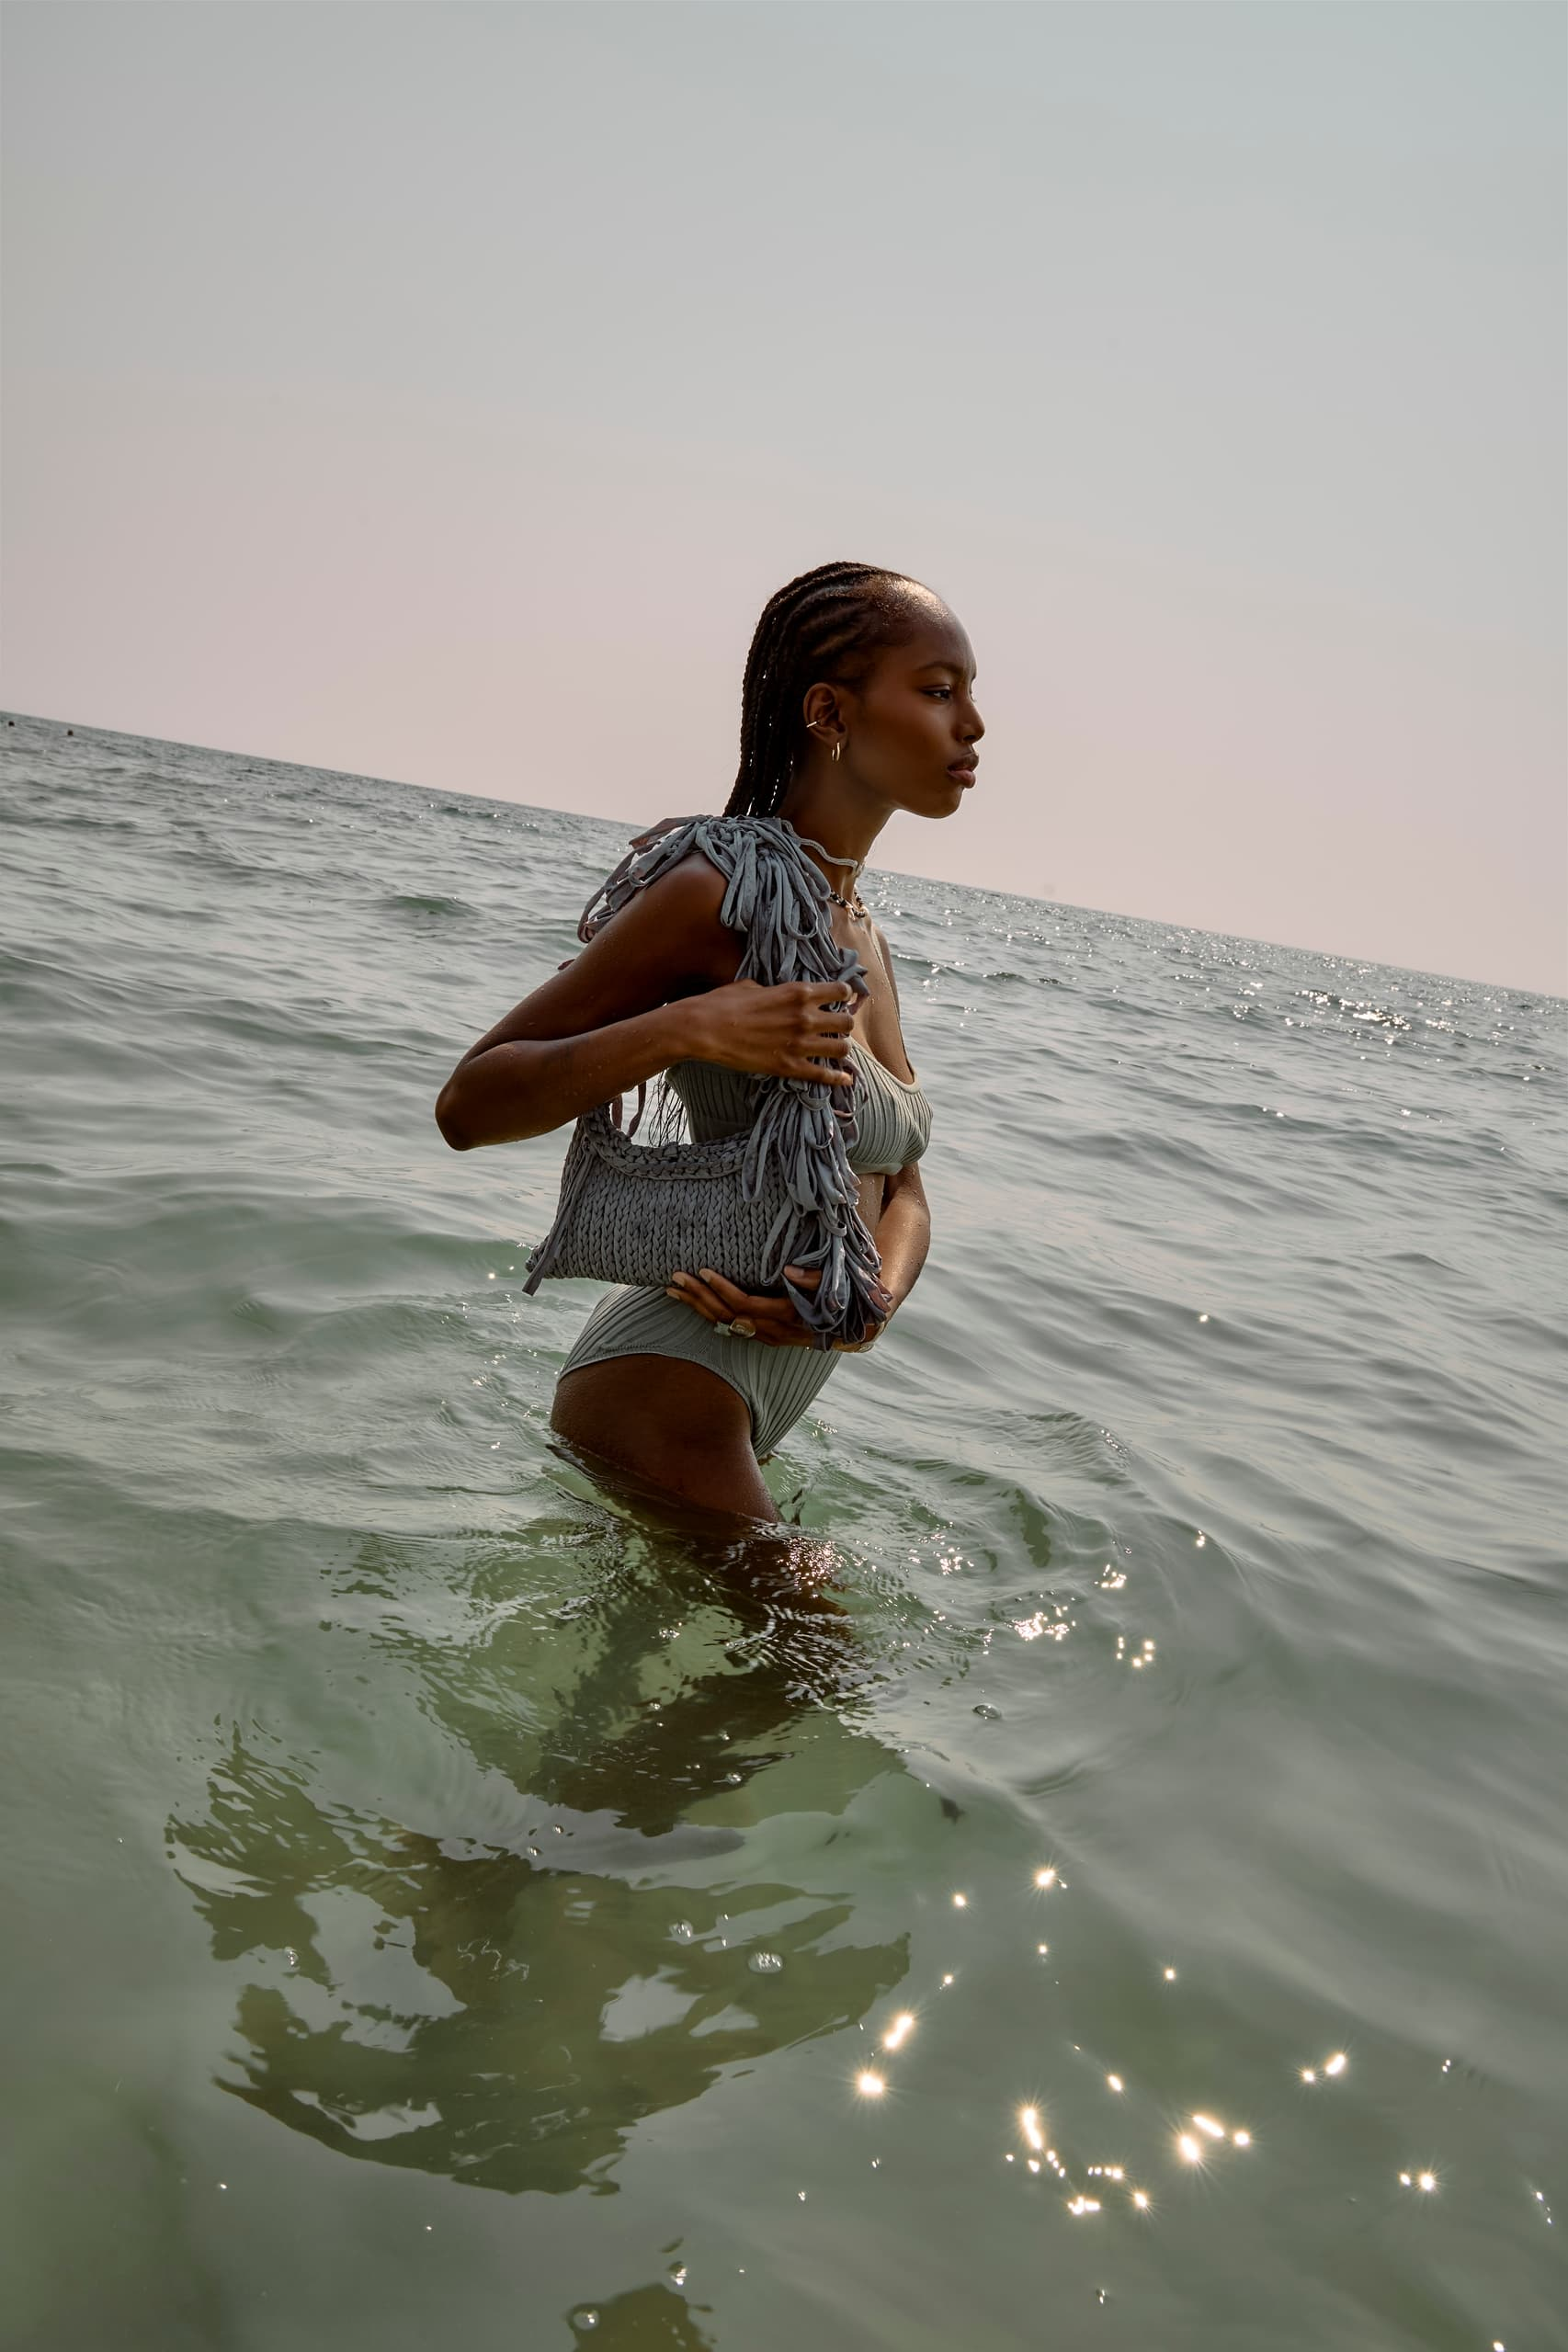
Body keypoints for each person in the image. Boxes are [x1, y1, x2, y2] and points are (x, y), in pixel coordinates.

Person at [435, 560, 983, 1523]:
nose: (971, 725)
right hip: (669, 1383)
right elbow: (468, 1105)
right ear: (828, 714)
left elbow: (902, 1189)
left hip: (773, 1386)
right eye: (938, 692)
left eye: (970, 697)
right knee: (818, 1665)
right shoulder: (715, 890)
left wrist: (866, 1310)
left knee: (650, 1678)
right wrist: (684, 1027)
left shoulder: (858, 931)